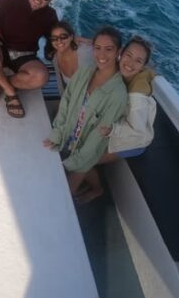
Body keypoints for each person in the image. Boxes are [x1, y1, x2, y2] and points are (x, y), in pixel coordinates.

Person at [43, 27, 127, 197]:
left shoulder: (118, 93)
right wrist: (58, 132)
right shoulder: (85, 71)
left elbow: (99, 135)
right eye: (97, 48)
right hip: (72, 132)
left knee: (65, 192)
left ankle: (96, 189)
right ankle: (97, 188)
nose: (101, 55)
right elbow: (66, 100)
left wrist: (76, 161)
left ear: (119, 51)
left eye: (109, 49)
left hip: (91, 143)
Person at [73, 35, 158, 204]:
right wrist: (90, 43)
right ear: (121, 54)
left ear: (142, 67)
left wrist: (112, 129)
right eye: (128, 55)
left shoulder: (137, 95)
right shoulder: (121, 73)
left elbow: (137, 131)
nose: (130, 63)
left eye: (138, 61)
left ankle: (92, 191)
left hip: (133, 140)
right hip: (115, 125)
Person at [44, 20, 94, 95]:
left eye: (63, 36)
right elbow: (63, 88)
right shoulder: (55, 57)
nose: (59, 41)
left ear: (71, 37)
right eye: (54, 38)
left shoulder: (85, 51)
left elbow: (106, 48)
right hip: (77, 98)